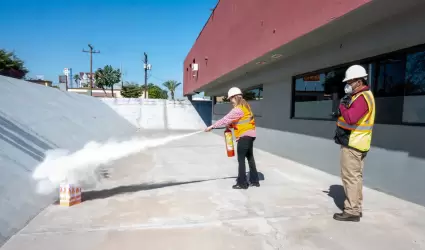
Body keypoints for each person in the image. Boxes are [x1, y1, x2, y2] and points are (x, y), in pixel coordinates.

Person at [333, 65, 376, 222]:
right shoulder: (361, 96)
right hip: (358, 143)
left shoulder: (363, 97)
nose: (348, 84)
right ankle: (356, 208)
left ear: (359, 81)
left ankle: (351, 211)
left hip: (353, 144)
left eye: (350, 81)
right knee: (355, 178)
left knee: (350, 178)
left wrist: (342, 106)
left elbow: (351, 118)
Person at [205, 87, 260, 189]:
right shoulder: (246, 106)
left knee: (241, 159)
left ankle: (242, 183)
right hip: (251, 135)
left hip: (244, 136)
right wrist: (231, 125)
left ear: (235, 97)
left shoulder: (238, 109)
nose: (230, 101)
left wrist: (212, 126)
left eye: (231, 99)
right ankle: (255, 180)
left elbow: (226, 119)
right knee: (250, 158)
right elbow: (241, 120)